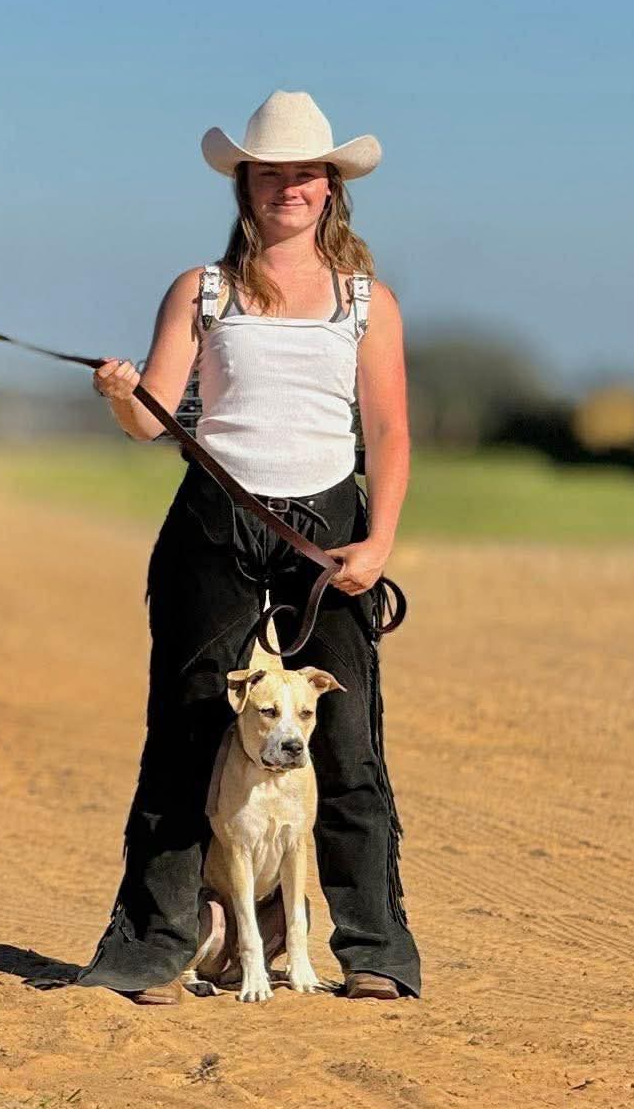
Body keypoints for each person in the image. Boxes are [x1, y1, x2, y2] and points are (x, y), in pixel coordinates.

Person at [75, 90, 421, 1003]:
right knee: (187, 732)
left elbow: (387, 432)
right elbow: (151, 421)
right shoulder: (203, 290)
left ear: (332, 187)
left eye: (305, 173)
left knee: (343, 739)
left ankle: (376, 950)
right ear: (246, 187)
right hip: (214, 523)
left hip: (329, 529)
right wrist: (120, 393)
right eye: (270, 174)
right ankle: (156, 946)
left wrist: (377, 540)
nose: (288, 188)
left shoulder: (366, 301)